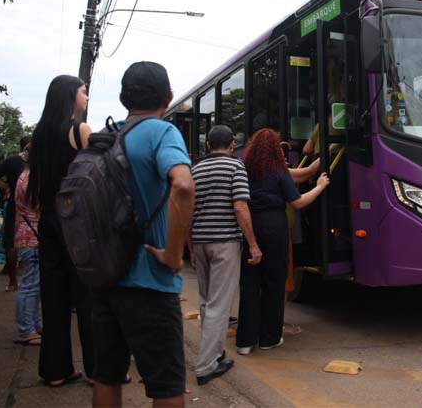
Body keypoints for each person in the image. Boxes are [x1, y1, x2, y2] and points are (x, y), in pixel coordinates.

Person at [90, 61, 194, 408]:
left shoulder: (104, 138)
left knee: (106, 376)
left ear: (123, 97)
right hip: (150, 283)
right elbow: (183, 185)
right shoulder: (162, 133)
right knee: (165, 386)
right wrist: (173, 253)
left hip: (103, 278)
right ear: (168, 97)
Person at [236, 128, 329, 355]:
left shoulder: (243, 170)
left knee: (249, 285)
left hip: (250, 226)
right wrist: (319, 186)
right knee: (274, 283)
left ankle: (245, 342)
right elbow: (297, 202)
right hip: (275, 227)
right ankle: (269, 338)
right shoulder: (279, 172)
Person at [26, 74, 94, 387]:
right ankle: (99, 369)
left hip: (48, 220)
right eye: (83, 92)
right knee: (88, 296)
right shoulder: (80, 131)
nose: (86, 97)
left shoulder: (39, 134)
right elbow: (94, 174)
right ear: (71, 96)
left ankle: (56, 370)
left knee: (53, 297)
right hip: (76, 220)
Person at [189, 125, 262, 386]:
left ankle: (216, 354)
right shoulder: (235, 167)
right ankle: (206, 366)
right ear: (232, 145)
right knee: (220, 305)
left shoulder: (195, 169)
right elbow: (240, 206)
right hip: (224, 243)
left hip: (200, 242)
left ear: (207, 145)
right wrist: (253, 244)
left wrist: (190, 247)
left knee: (207, 302)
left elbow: (188, 210)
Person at [0, 136, 31, 292]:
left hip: (15, 204)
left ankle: (13, 281)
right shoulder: (42, 161)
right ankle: (32, 278)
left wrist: (7, 187)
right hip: (35, 208)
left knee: (11, 243)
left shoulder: (12, 161)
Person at [12, 161, 42, 346]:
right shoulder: (32, 178)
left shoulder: (27, 175)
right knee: (31, 284)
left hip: (29, 233)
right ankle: (26, 330)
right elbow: (40, 204)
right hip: (33, 235)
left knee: (35, 284)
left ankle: (33, 324)